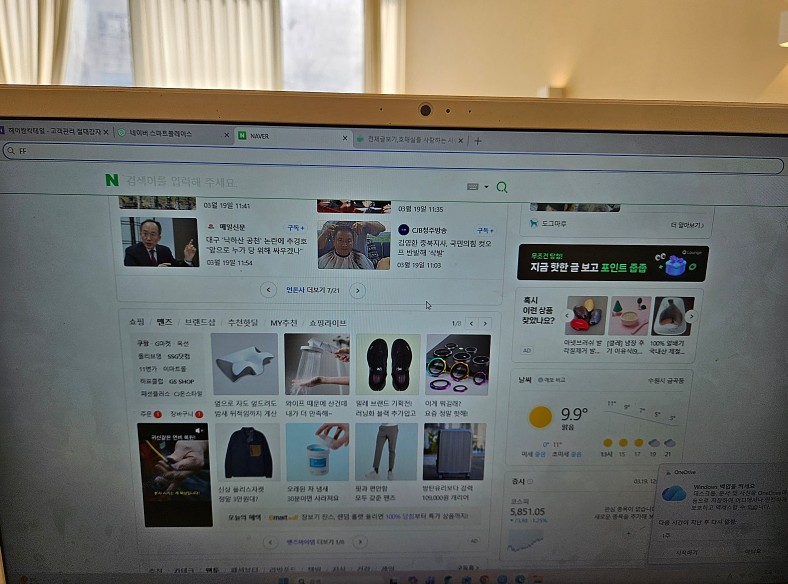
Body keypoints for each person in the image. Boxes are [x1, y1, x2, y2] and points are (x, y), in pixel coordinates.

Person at [124, 219, 197, 267]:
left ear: (159, 238)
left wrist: (187, 259)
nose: (148, 238)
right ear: (140, 235)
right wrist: (157, 271)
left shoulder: (165, 250)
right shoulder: (131, 251)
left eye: (152, 234)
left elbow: (177, 268)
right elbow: (131, 275)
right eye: (145, 234)